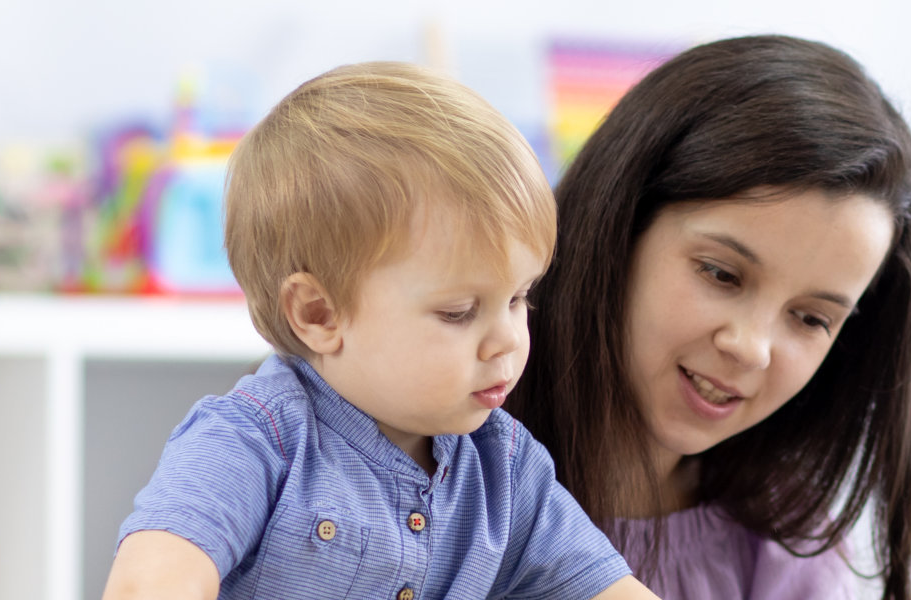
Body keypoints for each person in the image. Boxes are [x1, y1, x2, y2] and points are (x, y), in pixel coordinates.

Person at [102, 62, 655, 600]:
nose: (509, 338)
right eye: (460, 312)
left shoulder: (504, 471)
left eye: (518, 298)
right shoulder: (254, 442)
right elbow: (153, 579)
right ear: (319, 314)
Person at [505, 35, 911, 600]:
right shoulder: (431, 478)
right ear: (619, 225)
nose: (751, 347)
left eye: (809, 318)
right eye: (721, 274)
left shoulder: (786, 550)